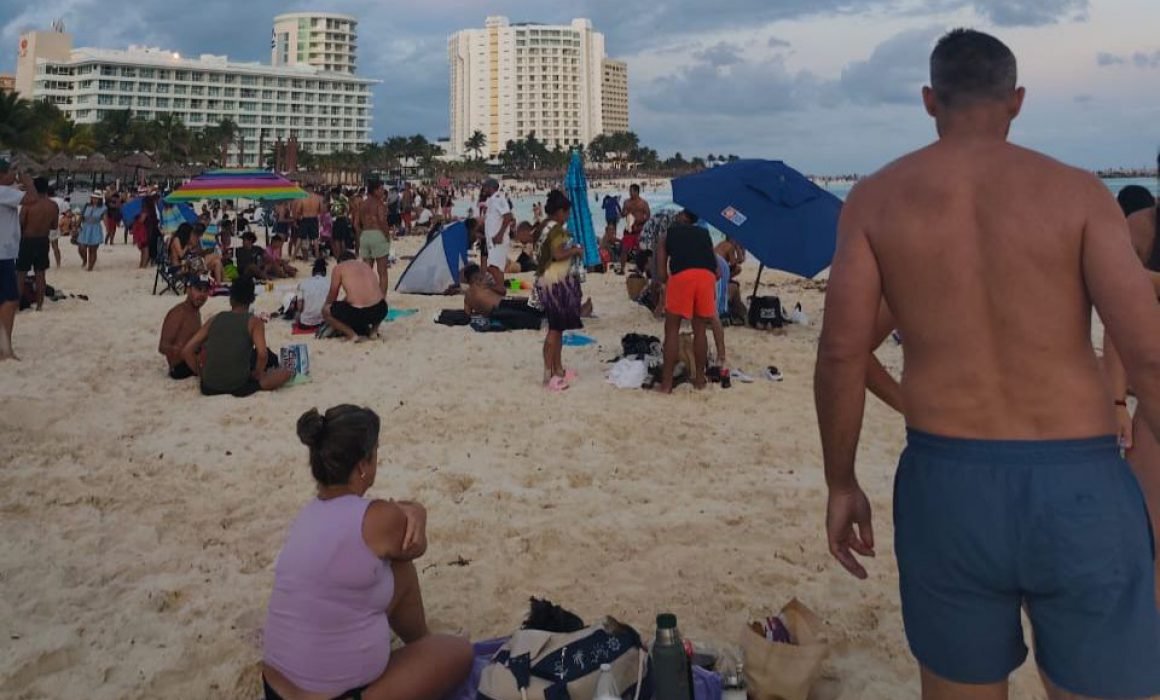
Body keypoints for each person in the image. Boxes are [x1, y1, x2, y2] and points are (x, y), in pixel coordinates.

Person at [815, 29, 1160, 700]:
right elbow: (1147, 356)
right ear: (1018, 100)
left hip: (948, 483)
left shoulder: (877, 199)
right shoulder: (1079, 194)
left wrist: (841, 481)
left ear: (928, 100)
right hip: (1078, 481)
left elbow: (839, 353)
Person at [261, 405, 474, 700]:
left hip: (275, 686)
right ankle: (421, 645)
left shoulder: (308, 515)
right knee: (459, 651)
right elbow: (417, 545)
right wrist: (418, 512)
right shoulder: (378, 519)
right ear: (363, 465)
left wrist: (402, 511)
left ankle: (420, 644)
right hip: (338, 695)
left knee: (395, 569)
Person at [181, 276, 293, 397]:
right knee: (286, 373)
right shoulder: (254, 322)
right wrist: (257, 373)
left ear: (231, 299)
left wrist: (201, 373)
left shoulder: (215, 319)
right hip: (238, 385)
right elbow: (262, 354)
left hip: (208, 386)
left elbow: (187, 350)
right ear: (251, 299)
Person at [654, 210, 718, 393]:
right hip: (706, 277)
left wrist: (669, 283)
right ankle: (699, 380)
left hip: (682, 277)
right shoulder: (705, 234)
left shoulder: (667, 235)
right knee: (700, 331)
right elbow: (718, 271)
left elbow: (660, 274)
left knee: (672, 329)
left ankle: (666, 385)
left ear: (682, 217)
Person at [536, 190, 584, 391]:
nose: (568, 217)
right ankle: (549, 374)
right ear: (560, 212)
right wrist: (575, 250)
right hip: (554, 282)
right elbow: (557, 254)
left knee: (558, 328)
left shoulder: (544, 226)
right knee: (555, 330)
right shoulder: (556, 230)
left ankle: (558, 369)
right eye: (567, 213)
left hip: (549, 280)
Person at [0, 158, 38, 360]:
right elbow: (32, 199)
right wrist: (29, 182)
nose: (13, 176)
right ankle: (5, 349)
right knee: (10, 300)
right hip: (2, 254)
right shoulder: (3, 192)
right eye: (10, 172)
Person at [324, 251, 388, 342]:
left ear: (340, 261)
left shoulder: (339, 268)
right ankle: (373, 331)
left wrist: (327, 309)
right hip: (380, 310)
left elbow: (333, 294)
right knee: (380, 302)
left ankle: (352, 335)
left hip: (358, 313)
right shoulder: (365, 266)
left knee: (326, 310)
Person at [158, 277, 211, 379]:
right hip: (180, 367)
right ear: (188, 290)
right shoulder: (178, 313)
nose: (202, 295)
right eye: (198, 290)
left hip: (192, 360)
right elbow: (162, 347)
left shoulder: (195, 312)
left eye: (205, 291)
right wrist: (184, 350)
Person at [462, 263, 542, 330]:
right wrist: (490, 286)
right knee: (533, 307)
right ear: (476, 276)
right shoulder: (481, 283)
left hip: (494, 314)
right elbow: (503, 291)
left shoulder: (467, 297)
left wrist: (480, 309)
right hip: (503, 304)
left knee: (527, 317)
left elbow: (467, 314)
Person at [17, 177, 56, 312]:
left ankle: (16, 305)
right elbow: (54, 225)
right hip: (43, 240)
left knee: (21, 273)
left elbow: (20, 223)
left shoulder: (28, 204)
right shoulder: (53, 205)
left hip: (27, 240)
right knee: (40, 274)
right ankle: (39, 305)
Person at [359, 181, 392, 295]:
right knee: (382, 272)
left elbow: (356, 223)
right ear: (375, 190)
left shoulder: (362, 204)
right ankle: (381, 300)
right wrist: (387, 235)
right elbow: (382, 221)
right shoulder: (379, 204)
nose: (383, 191)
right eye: (381, 189)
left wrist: (360, 236)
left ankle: (367, 298)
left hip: (365, 235)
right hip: (377, 234)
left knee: (367, 271)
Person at [482, 178, 515, 289]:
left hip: (498, 240)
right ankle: (499, 288)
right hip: (492, 241)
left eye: (485, 187)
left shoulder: (498, 199)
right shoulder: (491, 200)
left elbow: (508, 217)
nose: (484, 189)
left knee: (494, 268)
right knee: (495, 267)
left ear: (491, 187)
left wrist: (499, 235)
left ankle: (500, 289)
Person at [618, 184, 651, 275]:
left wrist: (641, 221)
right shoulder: (626, 202)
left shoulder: (643, 203)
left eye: (631, 191)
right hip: (629, 229)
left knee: (640, 250)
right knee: (624, 249)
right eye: (629, 191)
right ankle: (622, 269)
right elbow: (622, 214)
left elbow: (648, 216)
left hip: (640, 229)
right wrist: (624, 213)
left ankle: (639, 268)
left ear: (636, 192)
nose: (630, 193)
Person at [296, 258, 330, 329]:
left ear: (313, 272)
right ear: (325, 273)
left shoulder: (303, 283)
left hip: (306, 322)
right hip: (325, 321)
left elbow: (300, 307)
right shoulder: (330, 283)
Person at [293, 187, 325, 260]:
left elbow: (298, 210)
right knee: (315, 238)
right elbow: (322, 210)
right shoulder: (319, 198)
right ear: (313, 189)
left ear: (306, 190)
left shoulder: (302, 198)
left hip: (305, 218)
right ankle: (317, 257)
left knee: (300, 238)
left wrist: (299, 217)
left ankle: (293, 257)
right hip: (314, 218)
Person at [77, 192, 106, 271]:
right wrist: (77, 226)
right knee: (81, 247)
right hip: (85, 227)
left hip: (95, 228)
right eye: (93, 198)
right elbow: (81, 216)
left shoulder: (103, 208)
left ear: (100, 199)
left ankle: (90, 267)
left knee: (92, 250)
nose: (94, 199)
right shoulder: (87, 206)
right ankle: (85, 260)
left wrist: (107, 229)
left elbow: (105, 219)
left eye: (96, 198)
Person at [330, 187, 353, 259]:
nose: (332, 196)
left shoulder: (337, 201)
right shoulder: (345, 199)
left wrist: (331, 211)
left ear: (335, 193)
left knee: (337, 239)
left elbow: (334, 212)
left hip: (338, 220)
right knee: (343, 239)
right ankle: (344, 255)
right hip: (344, 220)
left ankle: (339, 256)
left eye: (332, 195)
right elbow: (349, 209)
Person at [48, 187, 66, 269]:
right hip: (56, 224)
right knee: (55, 246)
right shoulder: (60, 200)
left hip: (44, 224)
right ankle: (58, 264)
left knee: (45, 247)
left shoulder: (43, 200)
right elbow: (65, 212)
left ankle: (46, 264)